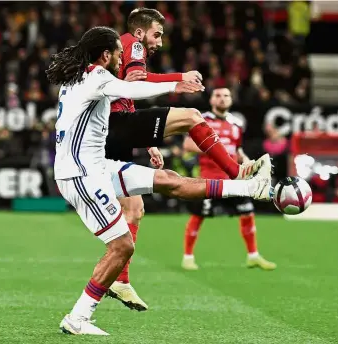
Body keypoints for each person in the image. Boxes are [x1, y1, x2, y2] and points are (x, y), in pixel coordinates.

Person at [46, 26, 272, 336]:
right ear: (106, 55)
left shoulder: (79, 77)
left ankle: (250, 187)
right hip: (81, 175)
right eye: (119, 53)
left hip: (98, 166)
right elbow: (133, 90)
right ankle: (77, 318)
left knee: (169, 180)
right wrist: (178, 82)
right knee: (122, 246)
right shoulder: (95, 76)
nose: (123, 57)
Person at [105, 8, 268, 311]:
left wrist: (146, 142)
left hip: (114, 127)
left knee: (135, 210)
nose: (161, 42)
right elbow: (134, 82)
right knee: (192, 116)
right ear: (141, 33)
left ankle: (121, 280)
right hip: (113, 126)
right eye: (158, 34)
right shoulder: (134, 44)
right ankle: (236, 172)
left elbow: (124, 90)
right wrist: (178, 78)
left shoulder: (123, 47)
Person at [182, 88, 277, 271]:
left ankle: (253, 256)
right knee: (198, 215)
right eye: (218, 95)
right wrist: (216, 150)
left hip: (234, 180)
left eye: (226, 96)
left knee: (247, 213)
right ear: (211, 100)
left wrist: (250, 163)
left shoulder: (236, 124)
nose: (222, 99)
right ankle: (187, 257)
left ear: (231, 100)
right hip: (209, 179)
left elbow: (238, 151)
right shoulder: (202, 120)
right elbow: (187, 144)